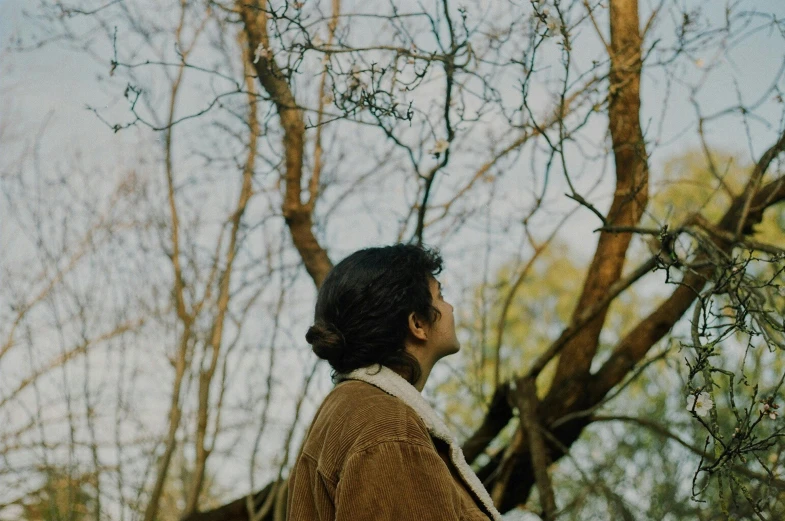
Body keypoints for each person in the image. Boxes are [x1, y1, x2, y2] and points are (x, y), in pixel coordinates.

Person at [286, 243, 503, 521]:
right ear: (417, 325)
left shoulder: (349, 410)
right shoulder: (389, 426)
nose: (450, 307)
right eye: (440, 295)